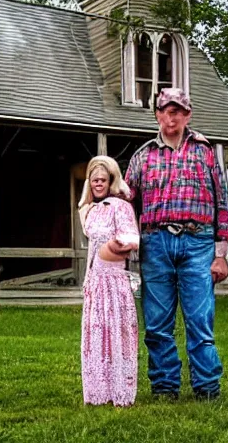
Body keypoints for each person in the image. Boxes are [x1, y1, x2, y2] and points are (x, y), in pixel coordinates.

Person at [125, 87, 228, 401]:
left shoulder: (205, 152)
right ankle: (164, 388)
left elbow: (222, 205)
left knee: (200, 322)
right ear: (157, 115)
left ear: (187, 115)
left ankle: (207, 389)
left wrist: (220, 254)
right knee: (157, 325)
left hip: (198, 243)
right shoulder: (142, 155)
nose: (170, 117)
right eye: (164, 111)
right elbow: (125, 201)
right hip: (154, 244)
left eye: (177, 111)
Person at [78, 156, 140, 407]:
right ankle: (98, 391)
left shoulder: (121, 206)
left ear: (111, 180)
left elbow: (132, 239)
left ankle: (120, 390)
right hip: (95, 278)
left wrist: (116, 245)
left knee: (116, 332)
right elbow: (91, 245)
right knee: (96, 333)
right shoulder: (90, 210)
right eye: (95, 180)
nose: (99, 184)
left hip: (115, 279)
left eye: (103, 179)